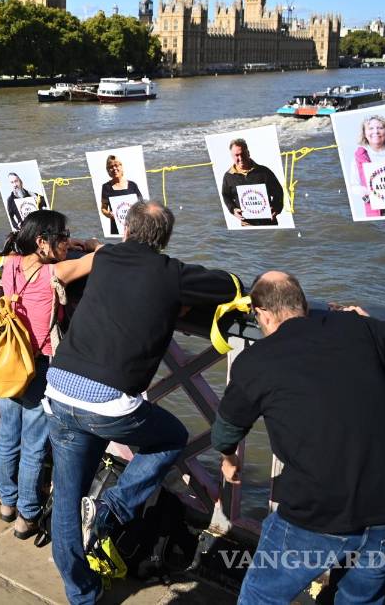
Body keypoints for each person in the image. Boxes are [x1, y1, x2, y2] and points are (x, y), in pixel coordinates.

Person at [213, 272, 385, 605]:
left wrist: (230, 461)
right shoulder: (357, 328)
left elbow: (225, 431)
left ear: (263, 315)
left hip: (317, 513)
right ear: (302, 306)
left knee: (261, 595)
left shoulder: (255, 361)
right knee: (361, 600)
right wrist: (378, 328)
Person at [45, 200, 239, 605]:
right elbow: (227, 283)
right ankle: (111, 509)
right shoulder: (171, 274)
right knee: (171, 437)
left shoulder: (106, 255)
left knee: (66, 498)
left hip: (59, 388)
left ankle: (81, 594)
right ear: (164, 240)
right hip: (108, 403)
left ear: (126, 230)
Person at [0, 210, 97, 539]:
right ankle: (27, 515)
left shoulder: (9, 263)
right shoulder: (55, 272)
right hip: (36, 366)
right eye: (62, 238)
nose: (67, 243)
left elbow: (13, 249)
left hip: (7, 359)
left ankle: (6, 503)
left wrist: (71, 241)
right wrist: (91, 244)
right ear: (42, 242)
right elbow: (104, 256)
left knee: (8, 437)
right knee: (34, 443)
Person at [220, 139, 284, 227]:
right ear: (232, 156)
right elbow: (226, 195)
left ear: (248, 153)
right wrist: (233, 209)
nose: (240, 158)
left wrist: (276, 207)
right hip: (247, 225)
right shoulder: (228, 176)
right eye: (237, 155)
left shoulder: (264, 172)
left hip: (269, 222)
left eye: (243, 154)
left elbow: (279, 192)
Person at [99, 155, 144, 236]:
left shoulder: (132, 185)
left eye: (116, 165)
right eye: (111, 167)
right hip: (116, 228)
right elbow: (103, 208)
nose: (114, 169)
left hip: (134, 227)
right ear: (108, 170)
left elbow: (142, 205)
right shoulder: (106, 187)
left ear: (121, 167)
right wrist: (108, 214)